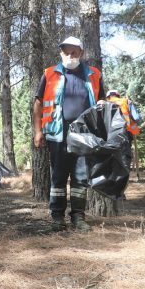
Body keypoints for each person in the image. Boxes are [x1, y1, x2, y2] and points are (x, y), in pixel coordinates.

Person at [33, 36, 106, 232]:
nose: (70, 55)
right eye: (66, 51)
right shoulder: (50, 74)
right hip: (58, 132)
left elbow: (102, 101)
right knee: (58, 175)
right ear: (61, 52)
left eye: (74, 52)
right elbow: (38, 104)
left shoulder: (94, 74)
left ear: (81, 53)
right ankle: (57, 217)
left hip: (85, 133)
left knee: (80, 177)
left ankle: (78, 217)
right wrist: (38, 131)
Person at [102, 89, 141, 172]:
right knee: (124, 154)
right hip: (125, 132)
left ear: (108, 97)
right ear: (118, 95)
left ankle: (111, 176)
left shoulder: (103, 104)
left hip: (108, 134)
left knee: (110, 153)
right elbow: (136, 118)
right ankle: (124, 176)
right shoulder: (126, 102)